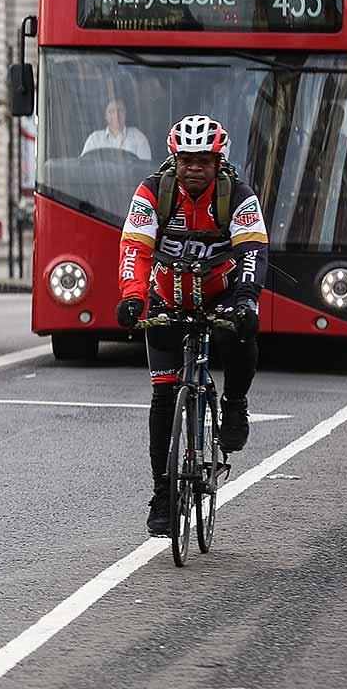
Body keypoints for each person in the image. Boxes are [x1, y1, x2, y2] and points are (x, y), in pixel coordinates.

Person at [115, 115, 265, 537]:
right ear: (174, 159)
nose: (194, 168)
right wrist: (132, 298)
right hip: (167, 297)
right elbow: (134, 249)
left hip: (221, 295)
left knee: (239, 332)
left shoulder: (238, 196)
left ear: (219, 161)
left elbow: (252, 252)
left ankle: (235, 403)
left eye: (203, 160)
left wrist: (246, 300)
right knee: (163, 396)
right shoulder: (152, 194)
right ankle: (163, 494)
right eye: (186, 160)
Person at [81, 98, 151, 161]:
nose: (116, 115)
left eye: (120, 110)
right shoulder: (94, 139)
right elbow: (84, 166)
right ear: (105, 116)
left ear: (125, 113)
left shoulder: (138, 137)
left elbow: (145, 169)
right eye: (111, 111)